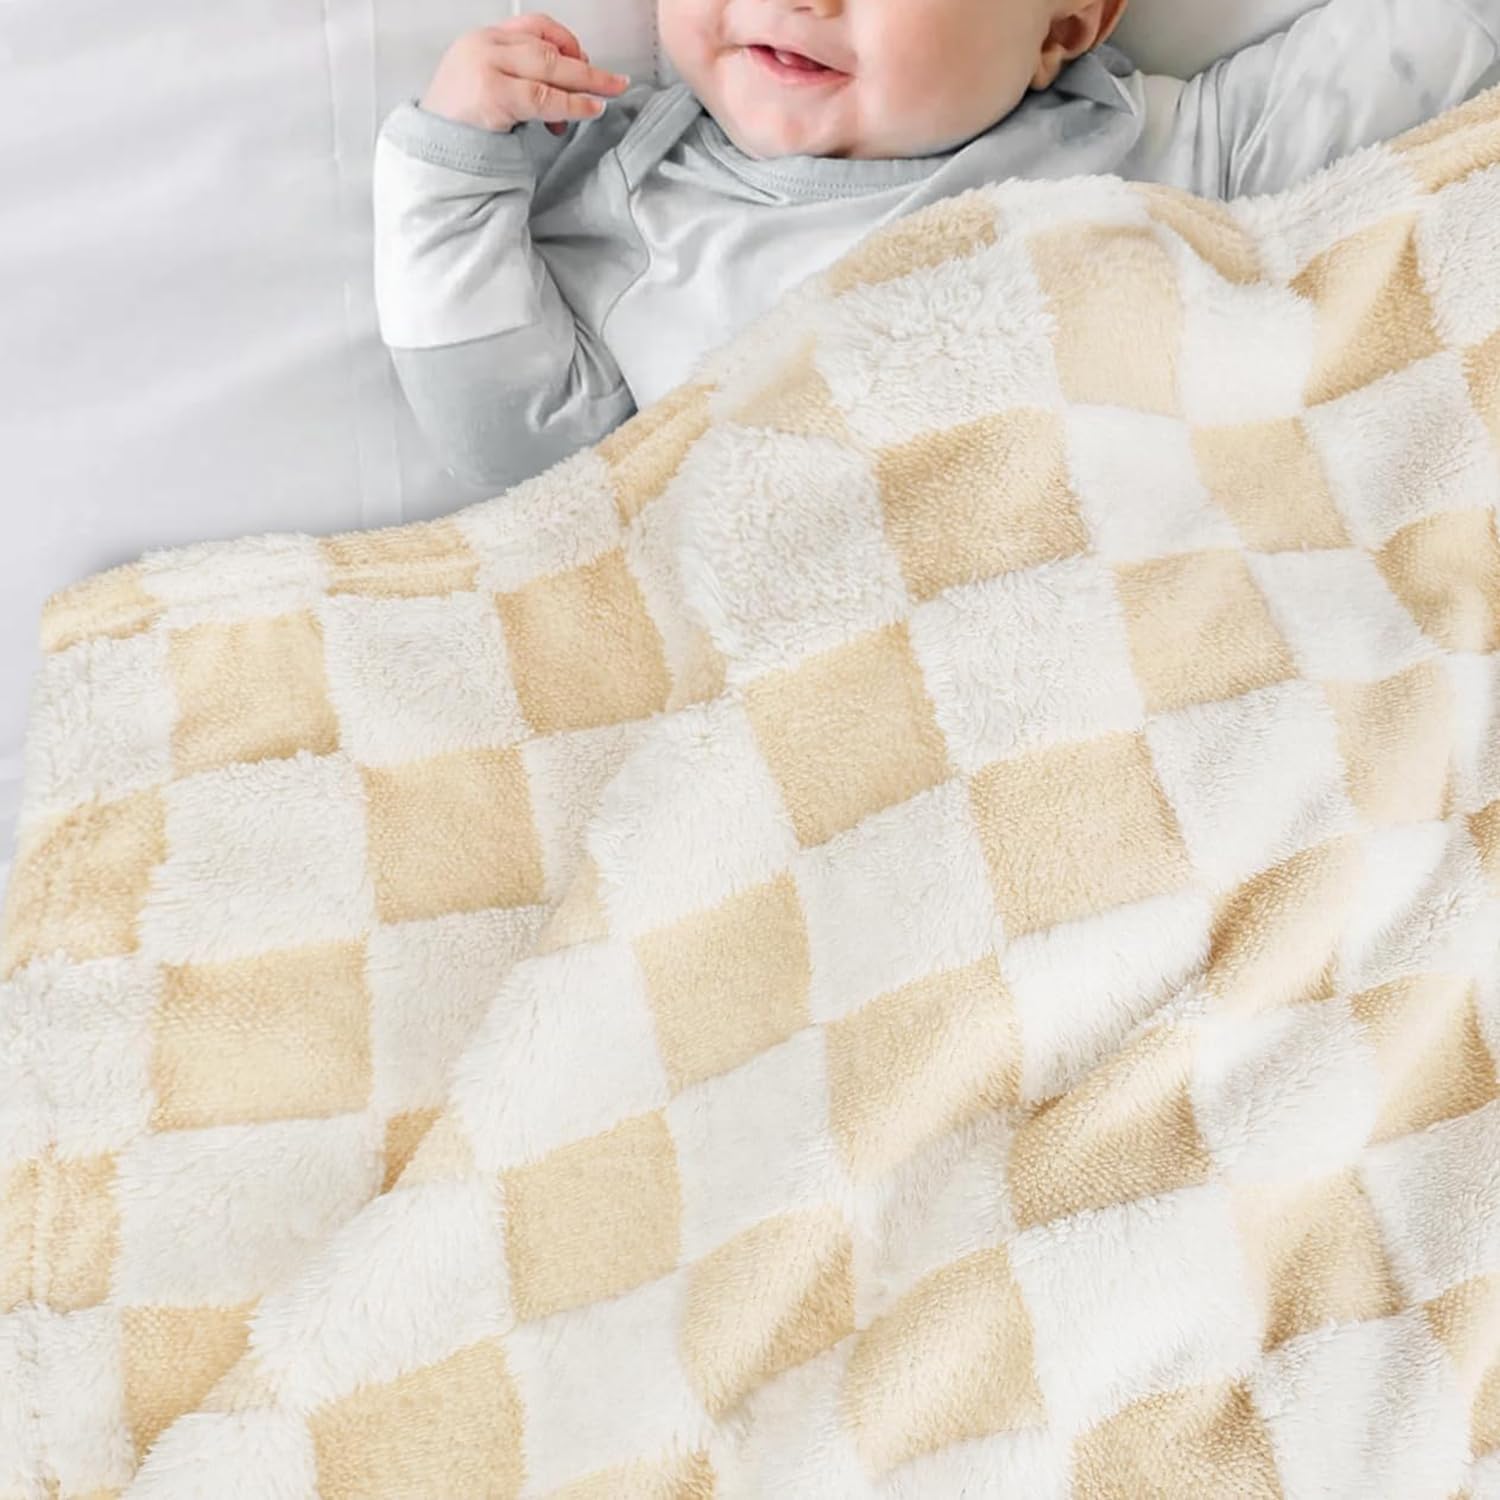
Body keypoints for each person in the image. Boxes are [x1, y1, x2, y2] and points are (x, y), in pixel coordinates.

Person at [372, 0, 1500, 490]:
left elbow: (1412, 53)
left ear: (1063, 25)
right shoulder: (644, 199)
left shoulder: (1142, 147)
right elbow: (513, 449)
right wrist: (451, 171)